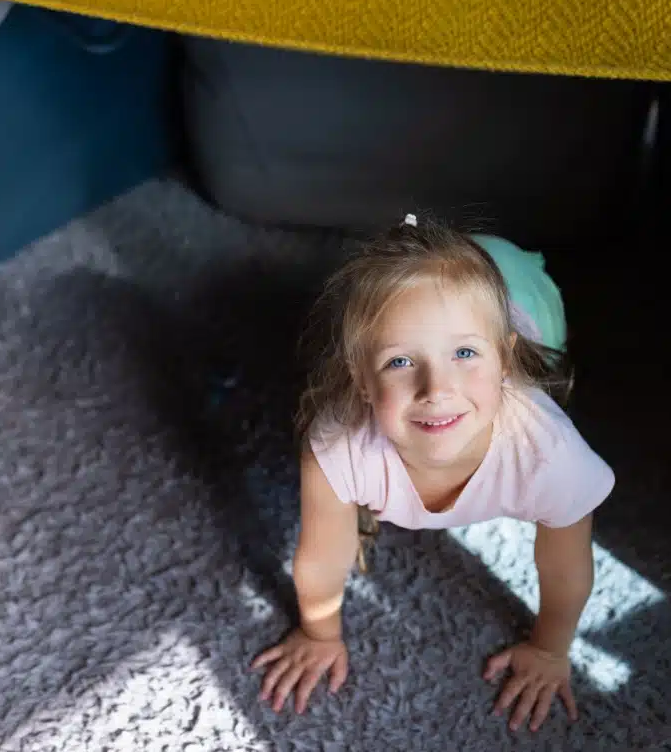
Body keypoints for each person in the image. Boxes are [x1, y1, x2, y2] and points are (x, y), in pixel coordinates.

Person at [250, 214, 615, 733]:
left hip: (523, 290)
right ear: (359, 379)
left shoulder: (549, 454)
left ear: (506, 363)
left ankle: (475, 332)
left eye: (465, 355)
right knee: (425, 311)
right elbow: (322, 553)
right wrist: (319, 633)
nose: (436, 388)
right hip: (465, 296)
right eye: (399, 362)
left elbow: (565, 569)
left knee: (546, 350)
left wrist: (550, 650)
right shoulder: (338, 442)